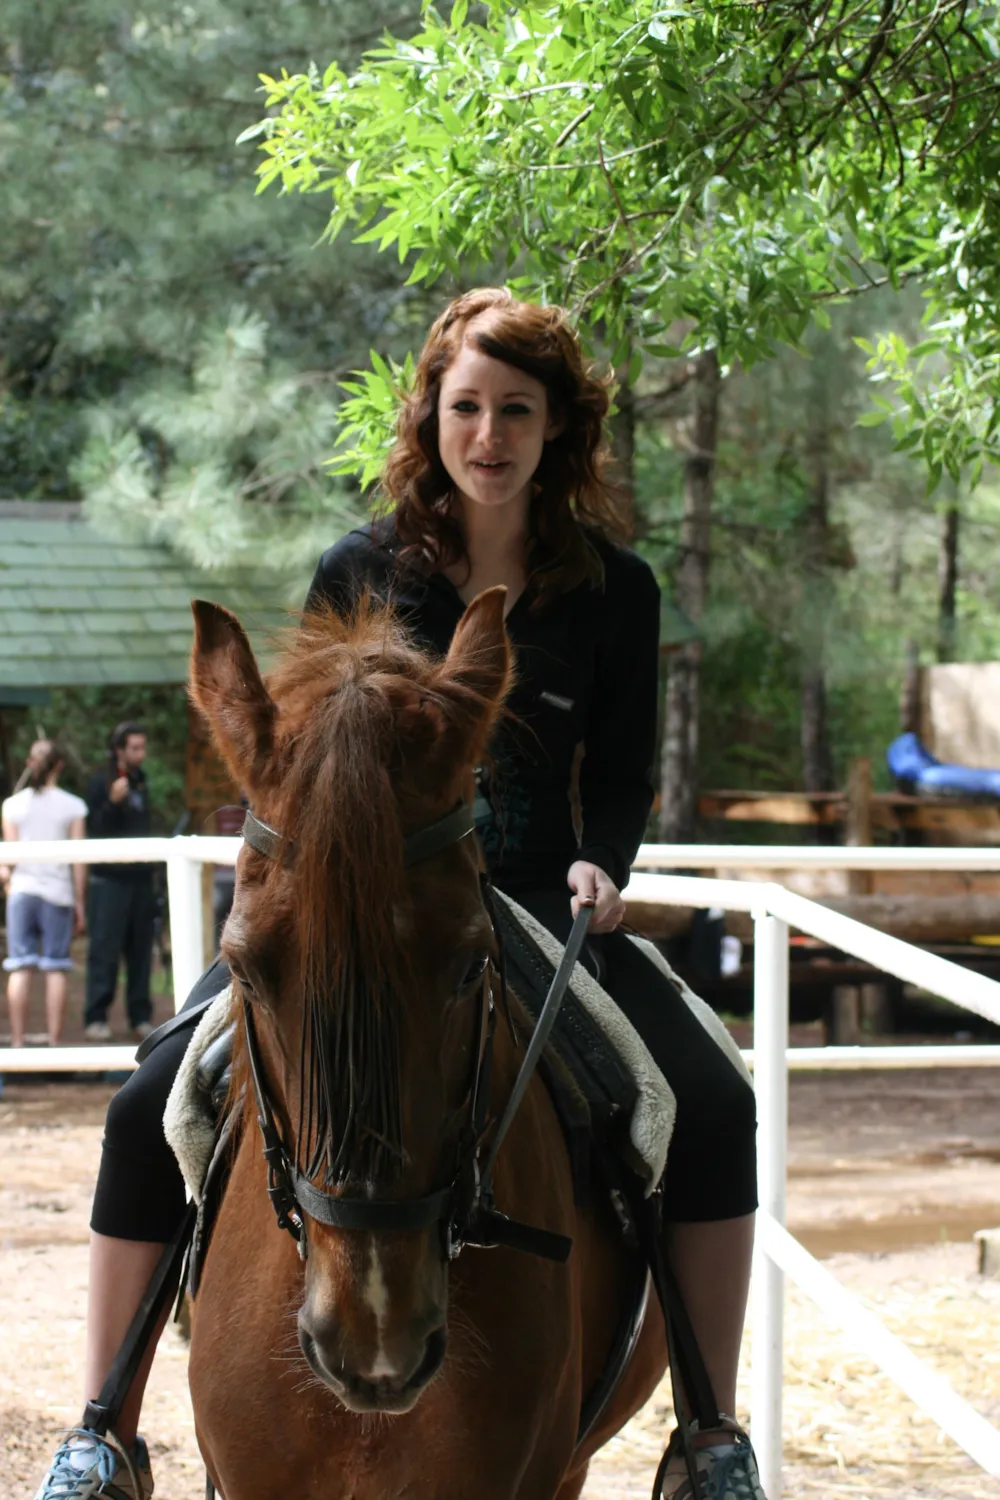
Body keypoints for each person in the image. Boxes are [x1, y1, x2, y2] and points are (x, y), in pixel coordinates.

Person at [35, 289, 763, 1500]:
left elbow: (625, 771)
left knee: (707, 1097)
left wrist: (607, 860)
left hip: (538, 900)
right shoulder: (360, 569)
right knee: (148, 1100)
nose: (489, 435)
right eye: (465, 408)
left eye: (515, 412)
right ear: (430, 420)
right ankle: (102, 1427)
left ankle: (707, 1431)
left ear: (556, 429)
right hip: (353, 907)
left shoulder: (615, 590)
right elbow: (303, 755)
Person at [1, 740, 87, 1047]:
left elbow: (8, 860)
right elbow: (79, 860)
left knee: (20, 964)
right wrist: (80, 903)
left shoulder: (12, 805)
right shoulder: (73, 805)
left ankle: (18, 1041)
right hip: (58, 892)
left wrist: (11, 888)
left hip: (22, 892)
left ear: (29, 764)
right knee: (55, 966)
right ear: (59, 767)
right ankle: (53, 1041)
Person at [83, 725, 156, 1044]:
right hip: (109, 880)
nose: (141, 753)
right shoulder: (100, 782)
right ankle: (96, 1017)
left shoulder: (141, 781)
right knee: (104, 951)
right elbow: (93, 829)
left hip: (140, 880)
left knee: (140, 951)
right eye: (135, 748)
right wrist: (112, 803)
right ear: (119, 750)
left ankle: (139, 1016)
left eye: (143, 747)